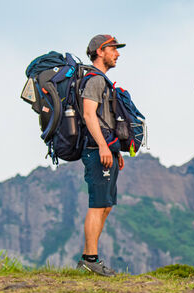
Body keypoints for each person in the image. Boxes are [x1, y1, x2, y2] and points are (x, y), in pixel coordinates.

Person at [76, 34, 126, 276]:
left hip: (106, 150)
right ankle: (90, 259)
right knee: (97, 205)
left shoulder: (102, 80)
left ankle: (89, 259)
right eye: (113, 49)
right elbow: (88, 115)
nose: (117, 54)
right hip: (97, 150)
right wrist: (104, 147)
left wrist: (114, 149)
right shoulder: (94, 79)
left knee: (105, 205)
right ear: (100, 51)